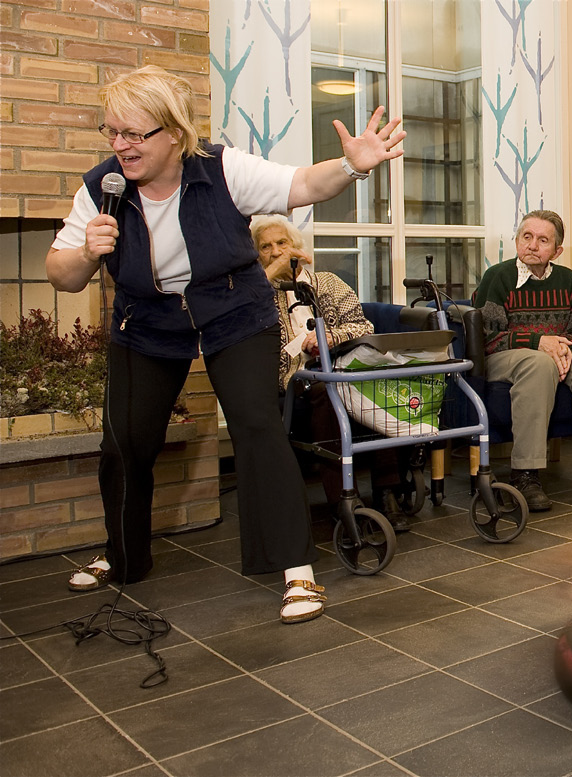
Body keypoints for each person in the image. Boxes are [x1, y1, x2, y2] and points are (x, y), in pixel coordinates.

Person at [45, 66, 405, 624]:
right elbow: (62, 275)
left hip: (233, 311)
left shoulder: (221, 168)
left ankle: (295, 569)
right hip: (147, 321)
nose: (120, 146)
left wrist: (349, 167)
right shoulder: (101, 188)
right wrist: (86, 252)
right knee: (125, 443)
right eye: (112, 131)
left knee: (258, 424)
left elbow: (303, 185)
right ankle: (122, 559)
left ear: (173, 132)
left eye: (134, 134)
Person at [250, 215, 410, 533]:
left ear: (296, 247)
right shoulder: (258, 295)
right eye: (266, 247)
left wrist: (328, 338)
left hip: (343, 365)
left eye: (282, 243)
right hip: (298, 380)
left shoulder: (328, 282)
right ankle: (342, 499)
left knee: (376, 381)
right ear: (258, 256)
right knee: (326, 391)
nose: (276, 251)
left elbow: (363, 326)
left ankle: (387, 490)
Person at [472, 209, 572, 511]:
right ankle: (524, 473)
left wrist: (563, 346)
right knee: (538, 364)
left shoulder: (567, 280)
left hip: (556, 350)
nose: (532, 245)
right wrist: (538, 343)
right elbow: (487, 337)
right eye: (526, 237)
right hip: (503, 357)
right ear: (517, 241)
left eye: (542, 240)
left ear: (556, 250)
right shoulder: (498, 278)